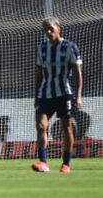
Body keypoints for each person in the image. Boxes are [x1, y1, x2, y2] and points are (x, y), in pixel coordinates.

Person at [32, 17, 83, 174]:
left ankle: (66, 164)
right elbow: (39, 73)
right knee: (41, 126)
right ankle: (43, 162)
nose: (48, 32)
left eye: (50, 29)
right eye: (45, 29)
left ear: (58, 28)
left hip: (64, 94)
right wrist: (36, 94)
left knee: (66, 127)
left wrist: (78, 96)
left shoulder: (70, 47)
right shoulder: (41, 48)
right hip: (45, 94)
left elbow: (77, 74)